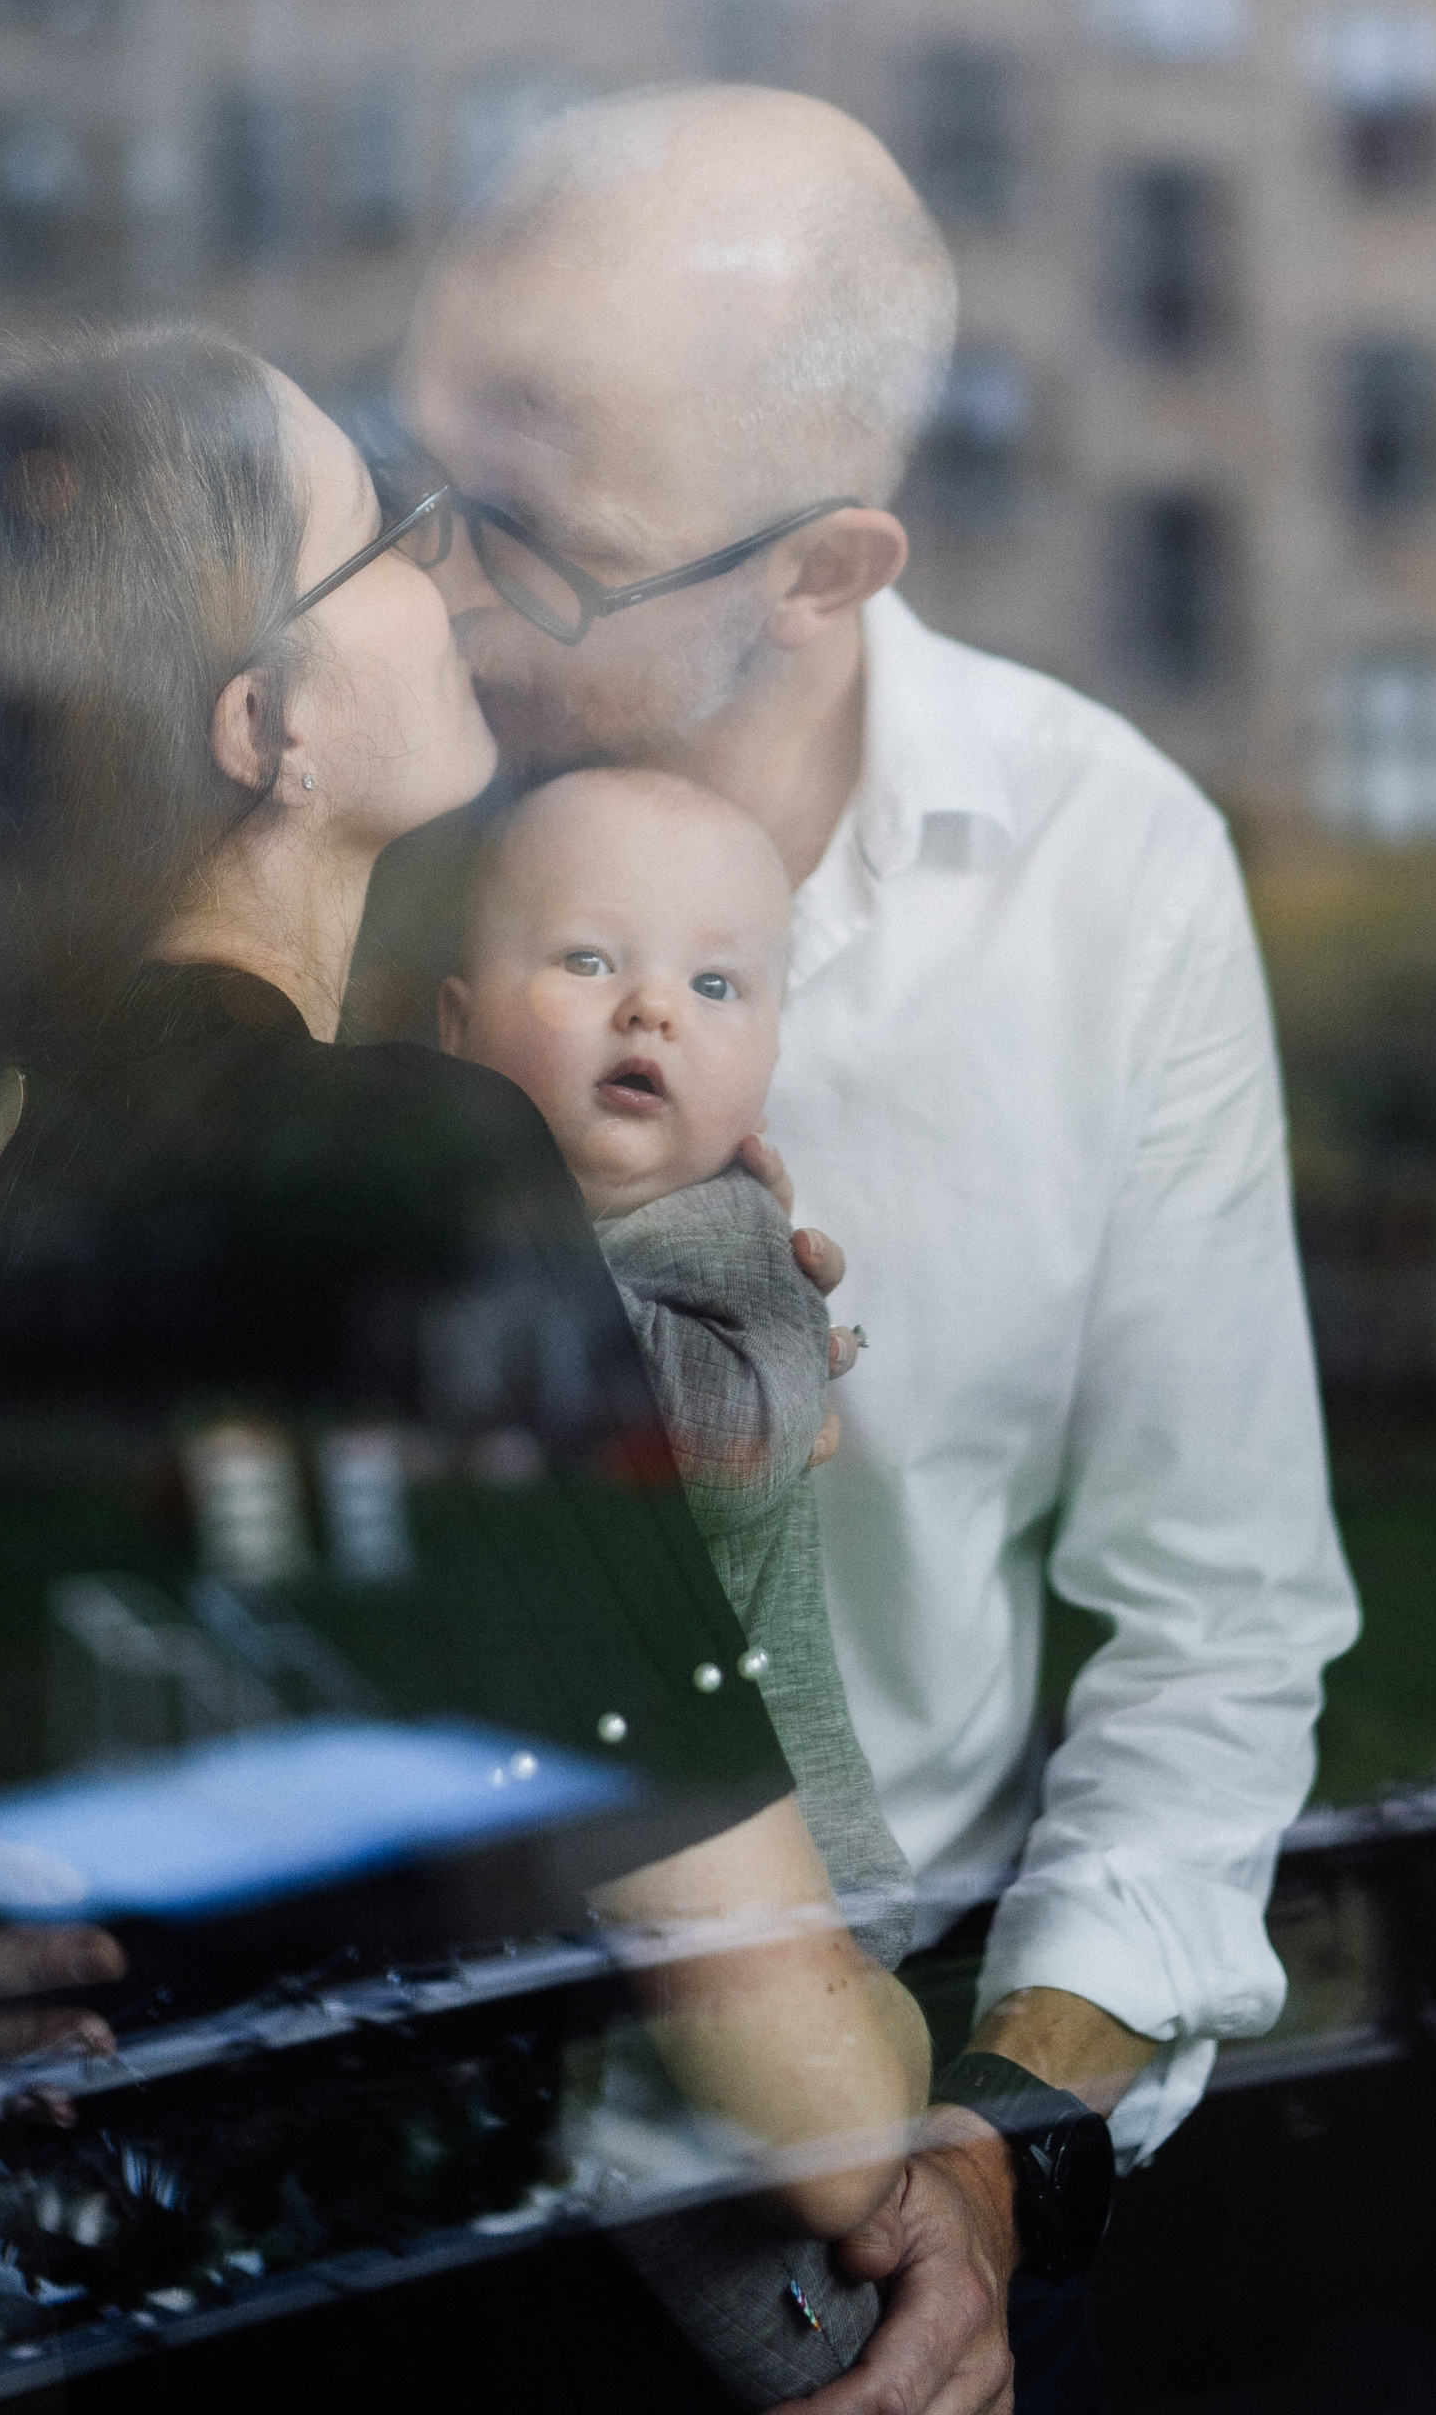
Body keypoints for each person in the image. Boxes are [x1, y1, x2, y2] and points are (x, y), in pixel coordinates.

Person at [0, 322, 937, 2402]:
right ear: (264, 725)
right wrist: (966, 2137)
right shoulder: (385, 1168)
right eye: (378, 539)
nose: (447, 573)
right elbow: (809, 2101)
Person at [381, 86, 1363, 2412]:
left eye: (519, 537)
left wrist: (1006, 2144)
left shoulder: (1101, 872)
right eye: (413, 478)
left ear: (824, 570)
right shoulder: (347, 817)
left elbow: (1218, 1635)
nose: (417, 592)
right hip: (335, 2145)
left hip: (868, 2177)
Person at [445, 764, 917, 2398]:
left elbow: (718, 1432)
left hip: (774, 1889)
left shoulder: (726, 1250)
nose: (652, 1003)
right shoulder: (485, 1243)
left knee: (753, 2275)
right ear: (453, 1033)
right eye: (587, 962)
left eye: (717, 986)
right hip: (601, 1879)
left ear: (765, 1060)